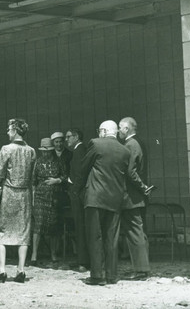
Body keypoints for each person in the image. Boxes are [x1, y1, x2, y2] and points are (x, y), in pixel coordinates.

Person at [77, 120, 130, 286]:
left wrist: (78, 190)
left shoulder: (95, 144)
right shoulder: (125, 150)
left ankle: (97, 275)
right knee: (111, 238)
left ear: (103, 131)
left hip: (95, 197)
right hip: (115, 199)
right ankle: (111, 275)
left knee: (95, 237)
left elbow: (83, 168)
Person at [0, 119, 36, 284]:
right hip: (25, 193)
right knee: (23, 231)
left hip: (9, 192)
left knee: (1, 230)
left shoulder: (6, 149)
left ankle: (2, 270)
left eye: (9, 130)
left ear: (15, 130)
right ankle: (21, 269)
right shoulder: (31, 151)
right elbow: (32, 175)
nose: (7, 133)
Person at [118, 117, 151, 280]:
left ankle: (141, 270)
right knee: (139, 231)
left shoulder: (130, 145)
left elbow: (131, 172)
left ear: (126, 129)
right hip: (138, 196)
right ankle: (143, 267)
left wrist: (141, 186)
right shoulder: (139, 142)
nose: (118, 131)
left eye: (120, 128)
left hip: (131, 196)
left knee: (134, 232)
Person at [30, 138, 66, 265]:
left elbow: (65, 176)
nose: (46, 153)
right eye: (44, 151)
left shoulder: (58, 162)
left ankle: (53, 253)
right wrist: (33, 198)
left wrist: (57, 180)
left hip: (54, 196)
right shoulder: (38, 162)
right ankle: (34, 255)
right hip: (40, 196)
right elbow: (33, 181)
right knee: (38, 224)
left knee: (53, 226)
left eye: (48, 151)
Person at [65, 128, 89, 272]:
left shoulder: (79, 151)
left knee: (81, 227)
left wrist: (74, 190)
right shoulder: (78, 150)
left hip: (78, 195)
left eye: (68, 137)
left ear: (76, 137)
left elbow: (80, 174)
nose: (66, 140)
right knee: (80, 227)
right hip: (77, 193)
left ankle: (83, 261)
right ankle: (82, 259)